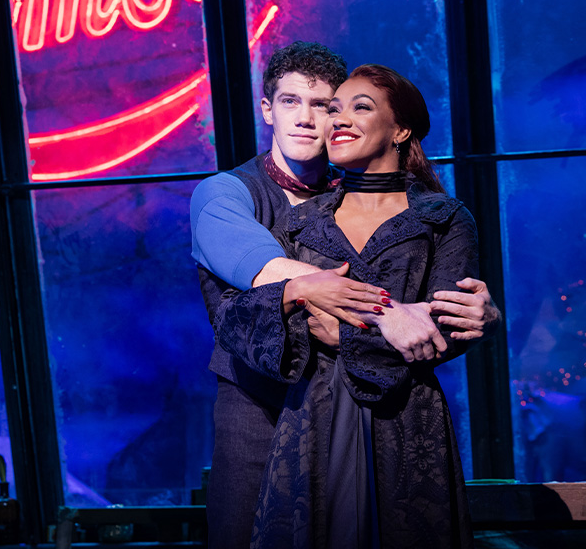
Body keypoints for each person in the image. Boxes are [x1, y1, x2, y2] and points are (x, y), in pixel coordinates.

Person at [192, 43, 492, 548]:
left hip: (366, 401)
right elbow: (270, 274)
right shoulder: (226, 194)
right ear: (267, 109)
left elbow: (439, 297)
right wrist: (388, 313)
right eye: (290, 102)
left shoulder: (377, 197)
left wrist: (480, 312)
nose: (309, 120)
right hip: (257, 406)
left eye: (325, 105)